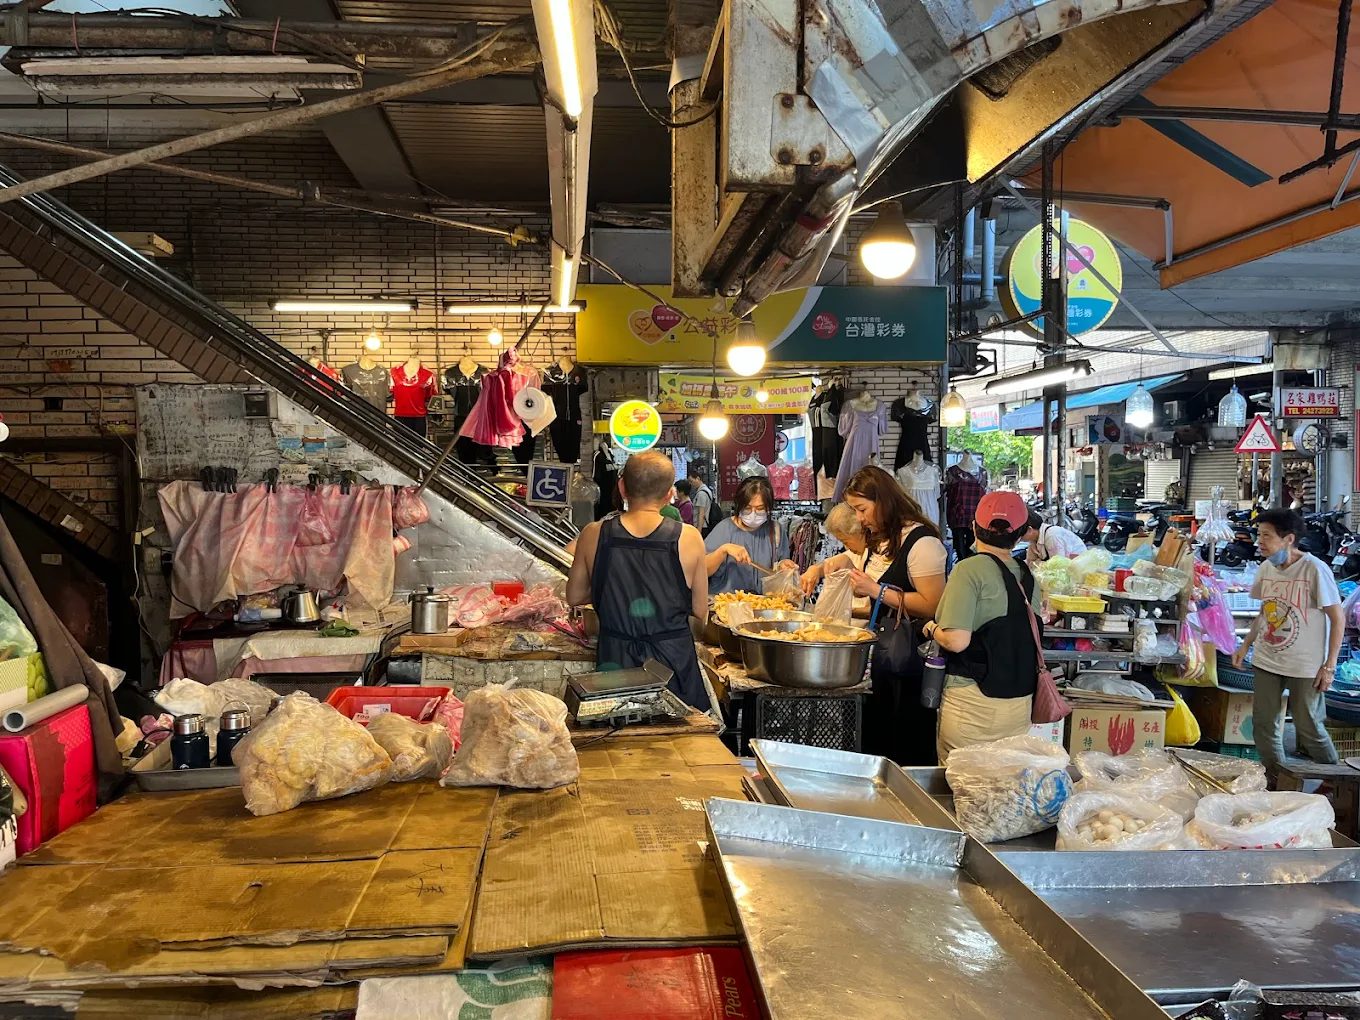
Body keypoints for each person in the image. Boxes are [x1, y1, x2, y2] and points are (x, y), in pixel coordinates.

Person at [566, 451, 711, 710]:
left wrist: (614, 591)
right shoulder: (689, 537)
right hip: (673, 665)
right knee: (680, 743)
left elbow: (575, 596)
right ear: (669, 494)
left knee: (619, 742)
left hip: (616, 662)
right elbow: (700, 611)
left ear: (622, 487)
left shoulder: (593, 533)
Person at [842, 466, 947, 765]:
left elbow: (930, 604)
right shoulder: (878, 538)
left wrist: (875, 590)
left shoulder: (922, 541)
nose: (860, 518)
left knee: (904, 745)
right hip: (881, 662)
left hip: (909, 662)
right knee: (877, 742)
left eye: (862, 509)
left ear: (884, 500)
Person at [926, 491, 1042, 763]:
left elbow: (956, 641)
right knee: (1001, 790)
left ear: (974, 527)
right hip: (1019, 706)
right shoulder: (1028, 578)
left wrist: (931, 628)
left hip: (973, 706)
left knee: (963, 789)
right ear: (1022, 533)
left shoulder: (969, 570)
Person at [1232, 508, 1341, 781]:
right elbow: (1265, 612)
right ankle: (1278, 781)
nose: (1260, 541)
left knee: (1309, 727)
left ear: (1289, 539)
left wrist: (1329, 667)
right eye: (1260, 535)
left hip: (1305, 665)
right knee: (1264, 725)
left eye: (1267, 536)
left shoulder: (1314, 569)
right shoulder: (1265, 568)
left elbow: (1337, 619)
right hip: (1268, 659)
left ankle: (1338, 785)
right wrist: (1245, 646)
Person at [705, 476, 798, 595]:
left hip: (764, 606)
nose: (753, 514)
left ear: (769, 507)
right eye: (747, 508)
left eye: (760, 508)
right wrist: (723, 550)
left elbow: (780, 564)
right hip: (728, 605)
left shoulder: (776, 531)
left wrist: (784, 566)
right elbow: (702, 570)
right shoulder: (724, 529)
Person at [945, 463, 985, 561]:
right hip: (957, 514)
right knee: (959, 544)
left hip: (974, 514)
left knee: (972, 543)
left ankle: (969, 566)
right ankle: (962, 565)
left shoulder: (982, 473)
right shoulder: (952, 471)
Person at [1023, 511, 1087, 567]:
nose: (1019, 538)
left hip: (1079, 571)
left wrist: (1038, 563)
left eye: (1020, 534)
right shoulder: (1033, 540)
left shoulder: (1052, 535)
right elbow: (1030, 563)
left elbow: (1057, 567)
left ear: (1029, 530)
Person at [687, 464, 716, 534]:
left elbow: (701, 513)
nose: (691, 484)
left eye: (691, 481)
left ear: (698, 478)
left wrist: (699, 531)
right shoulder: (706, 490)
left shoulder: (701, 494)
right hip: (704, 525)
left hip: (702, 527)